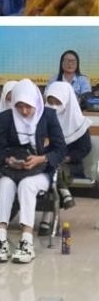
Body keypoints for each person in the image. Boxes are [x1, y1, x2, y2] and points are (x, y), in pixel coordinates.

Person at [0, 79, 65, 264]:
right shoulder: (6, 117)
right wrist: (8, 160)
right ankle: (1, 238)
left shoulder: (48, 116)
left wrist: (41, 159)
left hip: (41, 170)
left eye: (28, 107)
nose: (24, 111)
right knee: (4, 185)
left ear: (36, 102)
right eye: (19, 107)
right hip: (13, 170)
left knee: (27, 185)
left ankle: (26, 240)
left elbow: (60, 149)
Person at [43, 80, 88, 209]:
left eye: (58, 103)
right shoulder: (42, 120)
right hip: (46, 161)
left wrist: (67, 158)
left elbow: (84, 148)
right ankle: (64, 194)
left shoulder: (79, 123)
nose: (54, 106)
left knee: (55, 168)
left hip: (70, 166)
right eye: (50, 102)